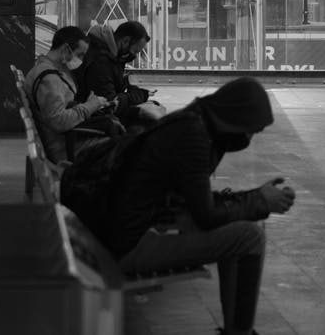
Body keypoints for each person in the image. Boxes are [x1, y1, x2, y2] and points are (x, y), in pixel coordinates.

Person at [107, 77, 295, 335]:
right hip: (130, 244)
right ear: (236, 117)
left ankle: (235, 329)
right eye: (251, 129)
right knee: (250, 236)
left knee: (248, 224)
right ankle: (239, 332)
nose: (249, 137)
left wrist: (257, 197)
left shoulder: (193, 122)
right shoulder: (194, 137)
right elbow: (205, 216)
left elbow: (196, 202)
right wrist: (260, 199)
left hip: (133, 227)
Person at [24, 26, 111, 164]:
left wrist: (88, 105)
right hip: (66, 148)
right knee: (122, 147)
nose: (81, 60)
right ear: (65, 49)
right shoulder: (49, 79)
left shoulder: (46, 69)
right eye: (80, 54)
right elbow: (59, 121)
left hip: (66, 140)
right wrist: (90, 106)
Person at [75, 21, 157, 120]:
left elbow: (114, 86)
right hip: (92, 119)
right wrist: (140, 95)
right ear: (125, 41)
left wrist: (131, 88)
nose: (134, 56)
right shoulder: (100, 61)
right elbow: (111, 104)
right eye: (135, 51)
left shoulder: (111, 56)